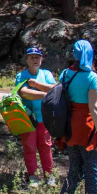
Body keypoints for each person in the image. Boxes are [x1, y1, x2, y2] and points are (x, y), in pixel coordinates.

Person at [52, 38, 97, 194]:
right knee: (93, 173)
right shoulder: (91, 77)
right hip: (87, 129)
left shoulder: (66, 74)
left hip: (70, 130)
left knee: (74, 172)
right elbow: (93, 107)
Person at [12, 46, 58, 186]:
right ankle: (32, 175)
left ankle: (49, 176)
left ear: (41, 59)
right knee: (30, 147)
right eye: (31, 57)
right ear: (26, 60)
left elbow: (56, 88)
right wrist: (44, 94)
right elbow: (24, 92)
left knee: (46, 145)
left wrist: (36, 85)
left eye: (37, 57)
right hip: (28, 117)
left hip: (45, 117)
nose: (35, 59)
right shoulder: (21, 75)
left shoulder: (46, 74)